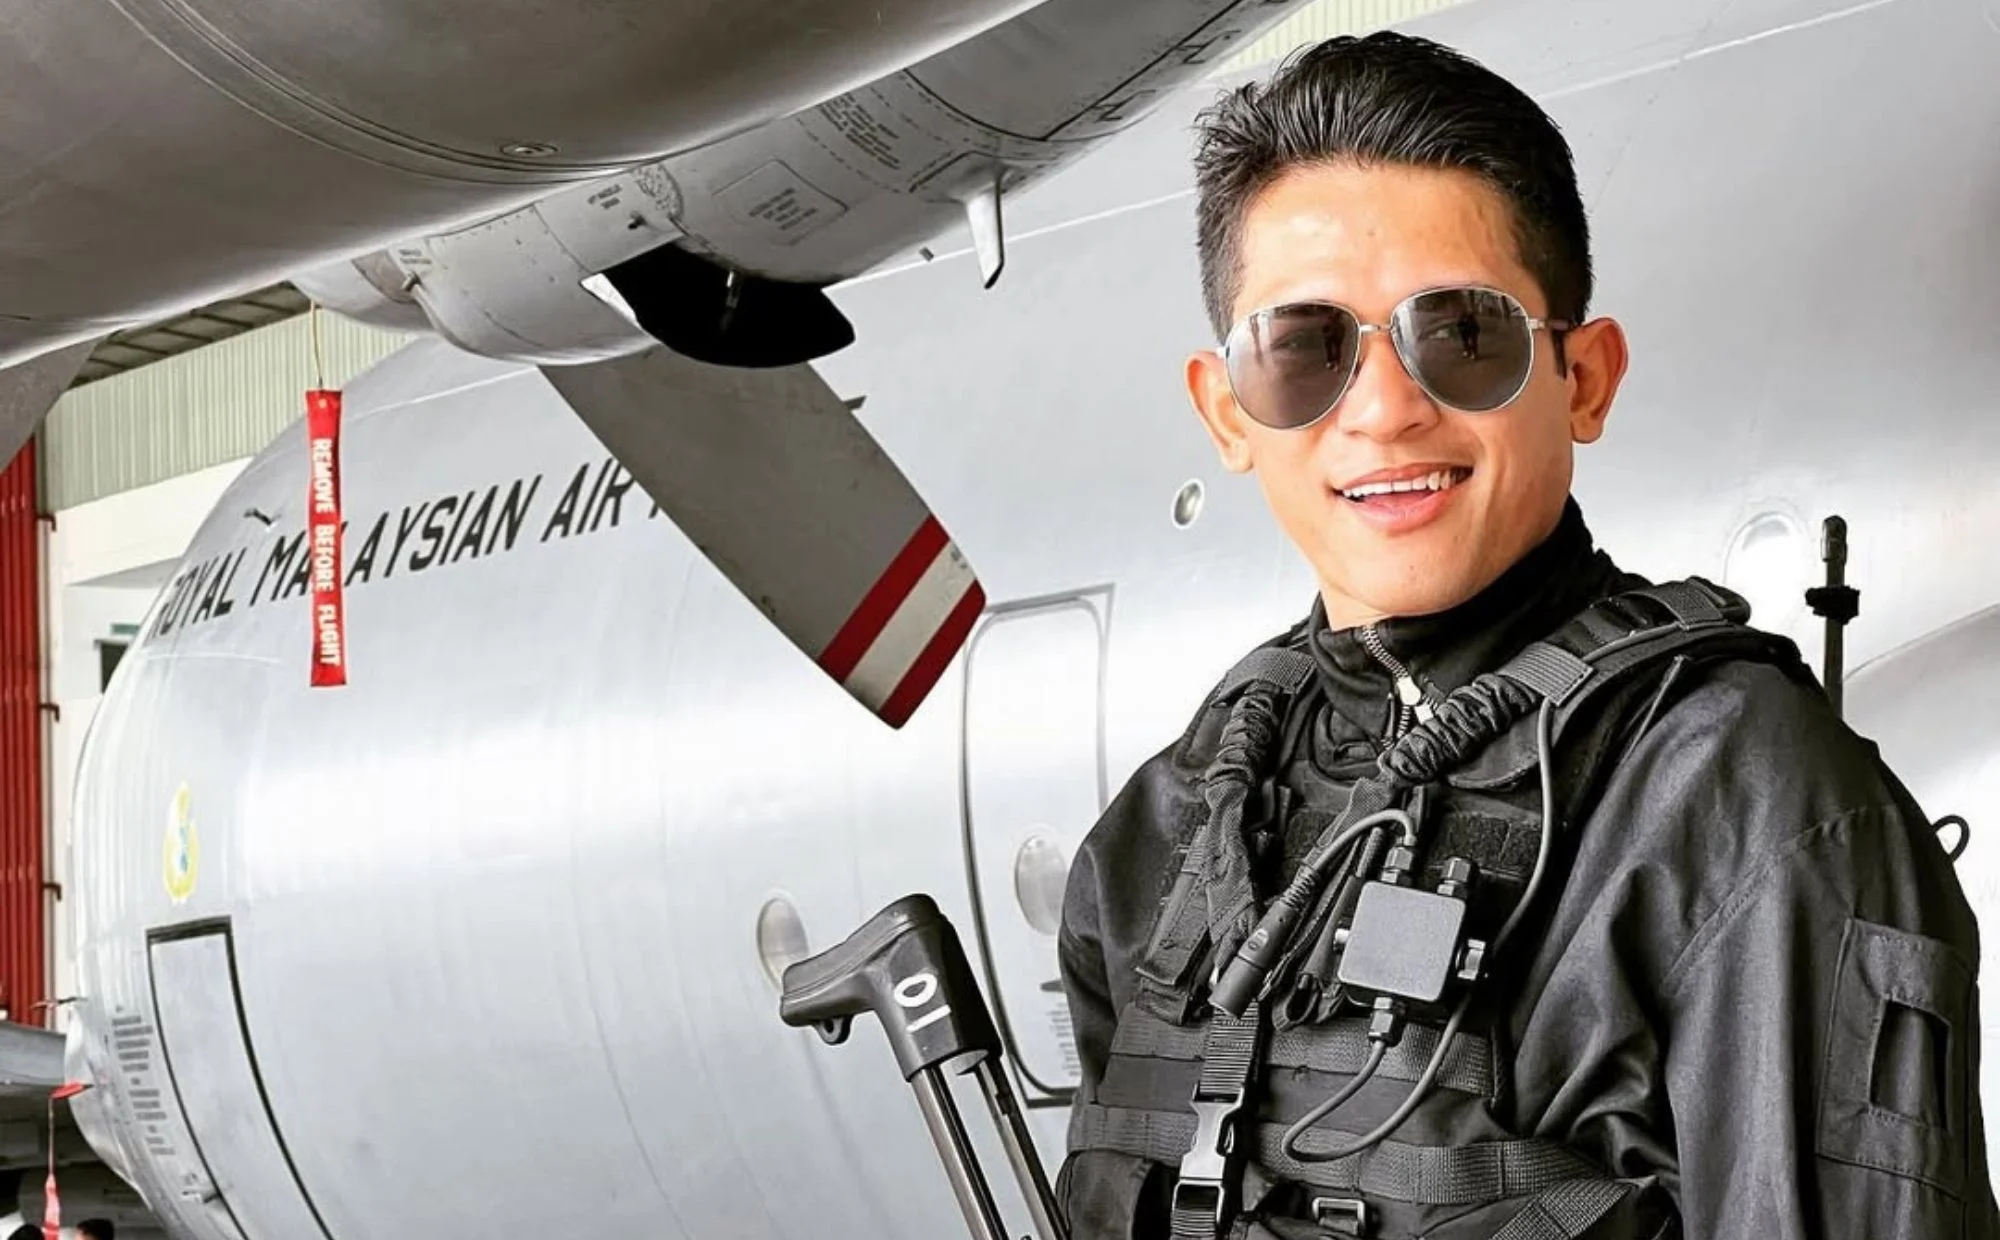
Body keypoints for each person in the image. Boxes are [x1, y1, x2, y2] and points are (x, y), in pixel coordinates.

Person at [1055, 30, 1998, 1240]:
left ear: (1582, 377)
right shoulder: (1167, 828)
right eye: (1303, 349)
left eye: (1461, 334)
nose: (1383, 410)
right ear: (1226, 410)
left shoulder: (1734, 805)